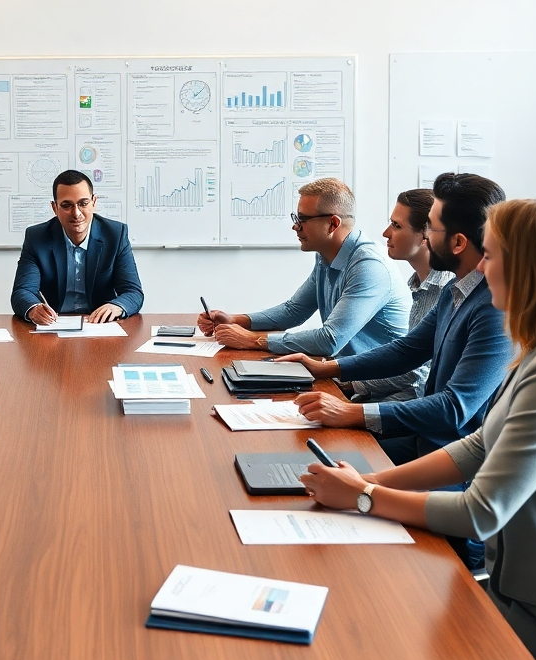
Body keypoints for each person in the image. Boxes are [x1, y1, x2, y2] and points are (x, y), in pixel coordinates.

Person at [300, 196, 536, 660]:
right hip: (510, 593)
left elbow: (480, 511)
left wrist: (364, 497)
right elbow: (476, 447)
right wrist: (372, 480)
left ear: (525, 269)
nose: (482, 269)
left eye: (490, 256)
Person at [286, 173, 512, 467]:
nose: (425, 236)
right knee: (310, 453)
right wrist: (326, 368)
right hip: (426, 441)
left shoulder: (494, 309)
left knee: (324, 460)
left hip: (456, 461)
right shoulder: (454, 291)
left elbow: (454, 408)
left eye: (431, 227)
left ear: (458, 242)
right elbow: (406, 351)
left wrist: (350, 412)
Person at [199, 178, 409, 357]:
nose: (295, 226)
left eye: (303, 219)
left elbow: (329, 340)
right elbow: (293, 311)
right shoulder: (326, 256)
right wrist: (235, 320)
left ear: (333, 224)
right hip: (348, 377)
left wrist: (253, 340)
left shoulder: (369, 266)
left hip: (382, 386)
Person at [345, 189, 453, 402]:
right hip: (398, 392)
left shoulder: (446, 291)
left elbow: (417, 373)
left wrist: (351, 384)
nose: (386, 233)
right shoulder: (416, 284)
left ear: (426, 235)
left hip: (422, 404)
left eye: (396, 225)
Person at [11, 170, 143, 324]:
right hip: (56, 325)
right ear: (55, 208)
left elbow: (133, 292)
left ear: (94, 202)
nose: (76, 213)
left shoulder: (115, 234)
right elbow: (23, 291)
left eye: (83, 204)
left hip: (101, 325)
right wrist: (34, 308)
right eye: (66, 205)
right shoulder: (37, 237)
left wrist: (117, 306)